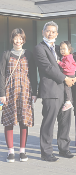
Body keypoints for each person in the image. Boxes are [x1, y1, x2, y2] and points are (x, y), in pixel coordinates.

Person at [33, 21, 76, 162]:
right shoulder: (39, 48)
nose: (50, 33)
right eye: (48, 31)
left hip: (65, 91)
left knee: (65, 122)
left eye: (53, 31)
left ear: (57, 34)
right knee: (49, 122)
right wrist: (65, 78)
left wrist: (73, 77)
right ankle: (46, 152)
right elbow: (48, 68)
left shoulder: (60, 48)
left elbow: (69, 62)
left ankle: (64, 148)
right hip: (50, 91)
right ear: (43, 32)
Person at [0, 28, 37, 163]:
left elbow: (33, 73)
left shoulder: (28, 54)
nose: (18, 40)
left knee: (24, 120)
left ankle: (22, 151)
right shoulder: (6, 54)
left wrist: (34, 92)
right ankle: (11, 151)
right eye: (16, 38)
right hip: (9, 91)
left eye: (20, 38)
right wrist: (1, 94)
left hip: (25, 91)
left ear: (24, 40)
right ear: (12, 39)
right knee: (9, 121)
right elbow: (2, 74)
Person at [57, 41, 76, 111]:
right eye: (61, 49)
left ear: (69, 50)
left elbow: (66, 66)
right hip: (68, 73)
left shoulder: (68, 57)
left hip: (69, 74)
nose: (62, 51)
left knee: (67, 88)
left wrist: (59, 63)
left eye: (64, 49)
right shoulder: (65, 56)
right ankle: (69, 100)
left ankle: (68, 101)